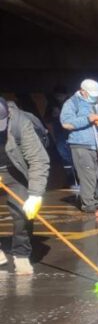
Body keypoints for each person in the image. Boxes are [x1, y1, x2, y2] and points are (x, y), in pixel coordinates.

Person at [0, 98, 50, 275]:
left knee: (22, 212)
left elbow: (38, 159)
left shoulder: (20, 122)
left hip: (14, 169)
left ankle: (21, 254)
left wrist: (35, 195)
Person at [60, 79, 98, 213]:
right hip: (81, 145)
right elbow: (66, 123)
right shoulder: (71, 103)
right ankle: (89, 204)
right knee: (88, 176)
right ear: (83, 92)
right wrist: (88, 119)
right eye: (92, 94)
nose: (95, 96)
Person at [45, 85, 77, 192]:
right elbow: (47, 118)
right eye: (57, 96)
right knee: (64, 156)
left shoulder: (73, 103)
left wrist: (61, 115)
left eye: (61, 95)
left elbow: (76, 119)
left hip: (72, 134)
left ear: (66, 95)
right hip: (59, 134)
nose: (59, 98)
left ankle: (76, 179)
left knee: (74, 156)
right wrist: (53, 115)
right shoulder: (52, 104)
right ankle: (71, 179)